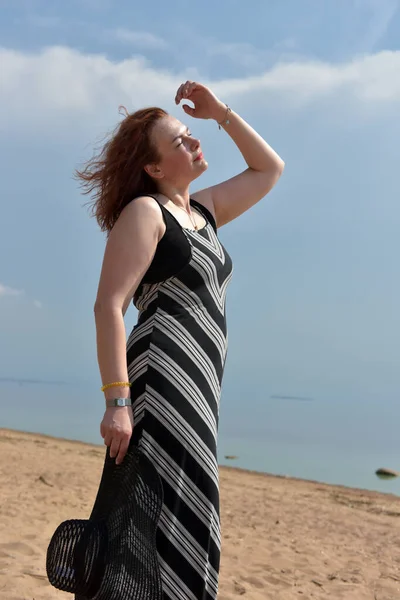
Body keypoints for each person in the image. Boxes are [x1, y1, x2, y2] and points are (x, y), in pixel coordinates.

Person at [76, 81, 284, 600]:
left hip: (200, 388)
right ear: (154, 169)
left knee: (187, 508)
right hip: (162, 379)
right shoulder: (147, 213)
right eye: (181, 142)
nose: (195, 144)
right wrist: (117, 402)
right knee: (165, 508)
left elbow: (269, 169)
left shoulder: (204, 212)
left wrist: (221, 114)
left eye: (193, 135)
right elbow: (108, 306)